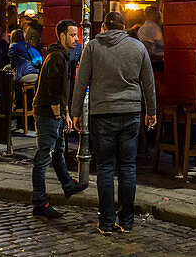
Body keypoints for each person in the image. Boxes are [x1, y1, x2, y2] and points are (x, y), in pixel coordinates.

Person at [72, 12, 156, 235]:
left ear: (104, 27)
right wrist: (152, 112)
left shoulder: (92, 47)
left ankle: (107, 221)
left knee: (105, 168)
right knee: (128, 167)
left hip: (102, 114)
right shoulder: (138, 48)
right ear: (124, 26)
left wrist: (76, 111)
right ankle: (126, 221)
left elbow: (82, 81)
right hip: (131, 112)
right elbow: (148, 82)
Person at [31, 19, 86, 218]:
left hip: (55, 113)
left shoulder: (63, 56)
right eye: (72, 35)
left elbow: (63, 90)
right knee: (43, 156)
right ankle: (39, 202)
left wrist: (65, 114)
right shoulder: (56, 57)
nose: (76, 38)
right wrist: (58, 114)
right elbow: (52, 89)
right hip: (47, 113)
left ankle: (68, 185)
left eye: (76, 34)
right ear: (62, 36)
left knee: (58, 151)